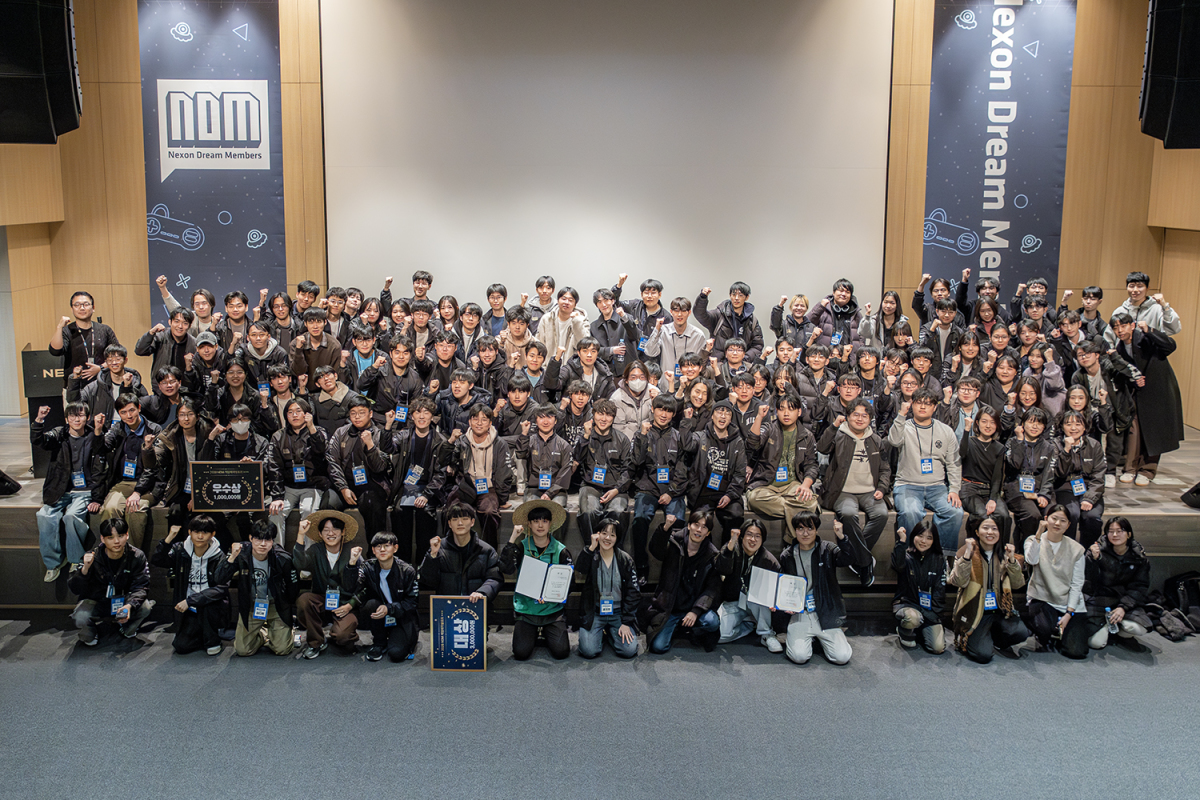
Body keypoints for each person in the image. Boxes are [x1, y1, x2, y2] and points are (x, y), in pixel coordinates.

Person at [816, 398, 891, 586]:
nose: (859, 419)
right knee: (848, 514)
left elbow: (885, 469)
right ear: (848, 416)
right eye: (855, 414)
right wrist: (833, 426)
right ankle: (865, 563)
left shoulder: (876, 440)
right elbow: (821, 447)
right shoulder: (839, 435)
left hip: (870, 491)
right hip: (842, 491)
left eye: (864, 416)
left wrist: (882, 488)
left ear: (870, 419)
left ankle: (855, 556)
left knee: (882, 514)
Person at [777, 512, 862, 665]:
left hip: (825, 613)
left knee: (842, 657)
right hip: (801, 613)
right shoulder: (787, 555)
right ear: (795, 530)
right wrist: (785, 604)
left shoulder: (827, 549)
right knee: (799, 657)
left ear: (816, 530)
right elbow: (784, 585)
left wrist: (841, 537)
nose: (805, 533)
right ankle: (807, 638)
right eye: (800, 528)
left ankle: (818, 638)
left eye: (810, 528)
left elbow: (849, 559)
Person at [32, 402, 103, 581]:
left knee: (71, 516)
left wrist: (97, 497)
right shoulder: (59, 434)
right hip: (60, 489)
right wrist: (39, 420)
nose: (76, 419)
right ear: (66, 419)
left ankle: (76, 559)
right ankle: (53, 564)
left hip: (84, 490)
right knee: (44, 515)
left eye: (80, 415)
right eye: (72, 415)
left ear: (87, 417)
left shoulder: (94, 436)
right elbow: (39, 440)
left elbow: (101, 467)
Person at [1111, 311, 1184, 485]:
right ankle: (1130, 468)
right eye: (1116, 327)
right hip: (1138, 394)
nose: (1120, 330)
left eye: (1123, 326)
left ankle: (1147, 470)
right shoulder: (1120, 348)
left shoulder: (1145, 338)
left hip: (1159, 392)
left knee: (1154, 430)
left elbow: (1170, 346)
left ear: (1132, 326)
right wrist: (1133, 380)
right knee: (1134, 429)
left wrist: (1150, 330)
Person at [888, 388, 963, 553]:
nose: (923, 407)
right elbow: (893, 440)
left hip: (937, 487)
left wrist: (954, 489)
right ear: (912, 405)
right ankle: (910, 555)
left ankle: (940, 557)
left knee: (955, 512)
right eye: (919, 403)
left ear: (935, 407)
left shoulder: (946, 431)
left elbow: (954, 463)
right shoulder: (903, 426)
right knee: (910, 512)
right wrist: (901, 415)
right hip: (907, 485)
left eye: (928, 404)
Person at [500, 500, 574, 660]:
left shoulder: (561, 551)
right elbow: (506, 569)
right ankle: (533, 632)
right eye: (536, 521)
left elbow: (570, 583)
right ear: (529, 524)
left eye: (544, 521)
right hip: (527, 610)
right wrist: (512, 538)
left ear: (550, 524)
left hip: (552, 610)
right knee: (521, 653)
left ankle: (546, 632)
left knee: (561, 652)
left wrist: (550, 596)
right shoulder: (521, 547)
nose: (540, 525)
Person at [639, 512, 723, 654]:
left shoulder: (711, 554)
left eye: (704, 527)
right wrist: (665, 528)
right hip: (671, 608)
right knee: (658, 647)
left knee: (712, 622)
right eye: (696, 525)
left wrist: (695, 611)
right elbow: (656, 551)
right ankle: (679, 628)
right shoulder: (674, 543)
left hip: (694, 607)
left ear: (708, 533)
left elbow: (712, 588)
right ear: (689, 526)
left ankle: (689, 627)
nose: (699, 530)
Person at [949, 514, 1027, 662]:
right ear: (977, 532)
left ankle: (995, 639)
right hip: (976, 612)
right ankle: (979, 638)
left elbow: (1018, 584)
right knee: (983, 655)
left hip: (999, 611)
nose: (990, 532)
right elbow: (958, 581)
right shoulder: (966, 552)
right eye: (985, 528)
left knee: (1021, 632)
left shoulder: (1004, 554)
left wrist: (1012, 561)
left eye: (994, 529)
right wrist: (967, 555)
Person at [215, 520, 300, 656]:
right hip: (251, 605)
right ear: (250, 538)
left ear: (272, 541)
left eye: (267, 540)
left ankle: (285, 630)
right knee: (243, 650)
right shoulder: (241, 554)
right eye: (258, 539)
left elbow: (293, 585)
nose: (262, 544)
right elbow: (219, 579)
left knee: (282, 649)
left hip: (276, 605)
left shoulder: (282, 558)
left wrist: (287, 607)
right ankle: (263, 634)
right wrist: (231, 557)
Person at [1023, 507, 1099, 659]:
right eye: (1054, 518)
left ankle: (1062, 632)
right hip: (1043, 599)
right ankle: (1051, 632)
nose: (1057, 523)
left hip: (1069, 603)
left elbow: (1077, 583)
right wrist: (1039, 533)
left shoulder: (1076, 549)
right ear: (1046, 519)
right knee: (1042, 629)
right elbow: (1031, 560)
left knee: (1077, 652)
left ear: (1068, 525)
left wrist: (1069, 613)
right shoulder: (1033, 541)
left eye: (1063, 521)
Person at [745, 390, 820, 541]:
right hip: (766, 485)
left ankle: (790, 536)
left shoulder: (807, 435)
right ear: (777, 411)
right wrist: (759, 417)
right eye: (782, 409)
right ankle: (794, 536)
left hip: (792, 485)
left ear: (799, 412)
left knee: (810, 501)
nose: (786, 413)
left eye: (791, 409)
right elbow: (752, 444)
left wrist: (806, 485)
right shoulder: (769, 428)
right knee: (754, 499)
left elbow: (812, 465)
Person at [66, 518, 155, 645]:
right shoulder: (92, 557)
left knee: (145, 607)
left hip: (124, 600)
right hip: (98, 601)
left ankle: (126, 628)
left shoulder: (137, 556)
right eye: (110, 537)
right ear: (102, 539)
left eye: (120, 536)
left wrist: (129, 605)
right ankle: (91, 632)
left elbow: (141, 586)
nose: (116, 541)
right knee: (80, 616)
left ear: (127, 535)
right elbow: (75, 589)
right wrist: (85, 569)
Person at [149, 515, 229, 655]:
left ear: (213, 534)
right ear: (189, 532)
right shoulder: (181, 550)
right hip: (188, 608)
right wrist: (168, 539)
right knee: (181, 646)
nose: (200, 536)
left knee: (207, 607)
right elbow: (157, 560)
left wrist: (191, 600)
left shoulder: (219, 556)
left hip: (210, 606)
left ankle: (213, 640)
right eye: (196, 532)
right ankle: (201, 634)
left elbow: (221, 588)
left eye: (205, 532)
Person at [629, 394, 688, 580]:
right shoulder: (642, 433)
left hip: (673, 490)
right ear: (652, 409)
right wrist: (642, 436)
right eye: (661, 409)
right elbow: (636, 462)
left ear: (674, 414)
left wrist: (671, 492)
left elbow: (682, 469)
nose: (664, 414)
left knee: (678, 522)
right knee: (639, 519)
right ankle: (641, 566)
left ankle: (673, 571)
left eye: (669, 411)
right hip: (648, 488)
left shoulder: (678, 437)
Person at [383, 396, 449, 564]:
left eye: (426, 412)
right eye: (417, 412)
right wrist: (388, 426)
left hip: (429, 489)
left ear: (432, 416)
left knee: (425, 516)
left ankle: (424, 566)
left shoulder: (440, 441)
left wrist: (426, 495)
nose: (421, 416)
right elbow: (387, 448)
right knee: (399, 513)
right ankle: (402, 565)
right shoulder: (404, 436)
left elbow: (441, 474)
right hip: (405, 487)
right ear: (412, 416)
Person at [95, 393, 161, 551]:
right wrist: (98, 431)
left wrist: (138, 492)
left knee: (135, 509)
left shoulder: (154, 429)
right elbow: (102, 449)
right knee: (110, 507)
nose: (129, 416)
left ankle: (132, 555)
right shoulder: (118, 428)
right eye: (123, 412)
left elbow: (154, 468)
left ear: (139, 408)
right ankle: (113, 552)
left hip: (149, 485)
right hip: (124, 482)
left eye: (132, 410)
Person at [446, 404, 516, 549]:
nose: (479, 423)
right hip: (466, 486)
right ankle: (451, 550)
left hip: (488, 488)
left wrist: (501, 499)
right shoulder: (462, 441)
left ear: (490, 423)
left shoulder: (500, 443)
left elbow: (504, 474)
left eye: (484, 419)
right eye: (475, 419)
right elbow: (449, 462)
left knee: (489, 512)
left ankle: (489, 552)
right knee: (451, 510)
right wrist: (451, 442)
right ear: (469, 421)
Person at [292, 511, 360, 659]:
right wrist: (301, 535)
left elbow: (361, 586)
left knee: (343, 638)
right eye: (326, 530)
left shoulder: (352, 551)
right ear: (320, 534)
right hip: (322, 599)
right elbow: (299, 564)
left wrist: (350, 605)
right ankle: (316, 642)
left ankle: (341, 633)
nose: (331, 533)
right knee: (304, 600)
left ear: (343, 532)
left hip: (345, 603)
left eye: (335, 529)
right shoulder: (316, 550)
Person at [344, 532, 420, 662]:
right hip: (380, 615)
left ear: (395, 548)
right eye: (378, 546)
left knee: (396, 654)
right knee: (371, 604)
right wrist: (352, 563)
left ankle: (399, 637)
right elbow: (352, 588)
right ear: (373, 550)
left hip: (402, 617)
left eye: (387, 546)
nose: (382, 549)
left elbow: (412, 602)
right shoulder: (368, 567)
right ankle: (379, 642)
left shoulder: (407, 570)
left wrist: (389, 608)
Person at [265, 398, 330, 545]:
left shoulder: (318, 432)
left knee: (308, 511)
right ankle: (278, 553)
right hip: (288, 487)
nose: (294, 415)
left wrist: (311, 427)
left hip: (312, 485)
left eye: (298, 411)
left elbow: (321, 452)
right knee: (275, 512)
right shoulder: (278, 436)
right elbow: (274, 467)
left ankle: (307, 555)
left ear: (307, 414)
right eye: (290, 412)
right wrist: (277, 496)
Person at [575, 516, 641, 659]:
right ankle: (601, 635)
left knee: (629, 651)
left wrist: (626, 622)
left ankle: (611, 635)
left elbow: (634, 592)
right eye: (604, 533)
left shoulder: (625, 559)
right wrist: (591, 547)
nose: (607, 538)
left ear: (617, 538)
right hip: (596, 612)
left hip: (618, 614)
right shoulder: (592, 555)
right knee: (588, 651)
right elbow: (580, 568)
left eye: (612, 535)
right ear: (597, 534)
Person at [1084, 517, 1152, 653]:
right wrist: (1093, 560)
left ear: (1129, 534)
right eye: (1111, 531)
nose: (1115, 535)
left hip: (1124, 601)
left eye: (1120, 531)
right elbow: (1088, 582)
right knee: (1096, 643)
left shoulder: (1138, 556)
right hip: (1099, 601)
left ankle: (1120, 632)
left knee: (1138, 628)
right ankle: (1106, 626)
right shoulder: (1097, 551)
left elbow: (1139, 587)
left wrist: (1123, 607)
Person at [327, 395, 392, 538]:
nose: (357, 417)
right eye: (353, 413)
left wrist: (370, 445)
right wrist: (343, 488)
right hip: (345, 484)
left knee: (373, 504)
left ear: (370, 413)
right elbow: (332, 462)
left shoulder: (379, 433)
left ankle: (374, 548)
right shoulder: (341, 432)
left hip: (371, 484)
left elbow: (380, 468)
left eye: (361, 413)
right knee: (328, 504)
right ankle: (331, 547)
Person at [685, 399, 748, 543]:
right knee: (701, 522)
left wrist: (730, 495)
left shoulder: (737, 442)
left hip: (727, 493)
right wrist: (686, 421)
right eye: (719, 412)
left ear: (731, 419)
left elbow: (740, 474)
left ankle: (728, 551)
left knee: (735, 515)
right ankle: (705, 554)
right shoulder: (701, 437)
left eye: (727, 413)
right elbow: (686, 445)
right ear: (712, 416)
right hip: (704, 493)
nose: (723, 416)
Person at [714, 521, 783, 652]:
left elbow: (777, 586)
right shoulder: (732, 549)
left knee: (760, 597)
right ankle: (749, 625)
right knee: (720, 635)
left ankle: (766, 634)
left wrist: (774, 601)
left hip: (757, 604)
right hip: (733, 601)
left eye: (757, 536)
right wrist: (730, 545)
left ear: (763, 539)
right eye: (749, 534)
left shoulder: (768, 560)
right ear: (742, 536)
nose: (753, 539)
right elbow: (721, 569)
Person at [417, 503, 503, 605]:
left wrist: (482, 592)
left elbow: (495, 578)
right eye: (455, 519)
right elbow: (427, 581)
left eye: (465, 519)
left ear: (472, 522)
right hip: (447, 606)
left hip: (475, 606)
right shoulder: (438, 548)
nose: (460, 523)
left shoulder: (486, 550)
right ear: (449, 524)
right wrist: (432, 556)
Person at [575, 398, 633, 542]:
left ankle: (614, 550)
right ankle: (592, 548)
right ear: (593, 415)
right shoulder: (585, 436)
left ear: (613, 418)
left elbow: (628, 470)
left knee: (617, 511)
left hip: (615, 488)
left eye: (608, 415)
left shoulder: (622, 440)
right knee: (589, 511)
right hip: (590, 486)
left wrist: (617, 490)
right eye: (600, 414)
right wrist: (586, 436)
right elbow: (576, 459)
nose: (604, 418)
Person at [152, 397, 213, 529]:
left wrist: (197, 496)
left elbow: (211, 466)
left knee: (203, 515)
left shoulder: (208, 434)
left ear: (197, 417)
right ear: (177, 418)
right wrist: (147, 450)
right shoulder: (171, 436)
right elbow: (156, 462)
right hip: (181, 487)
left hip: (205, 487)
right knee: (175, 512)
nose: (186, 419)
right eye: (182, 415)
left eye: (190, 414)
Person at [1049, 410, 1106, 547]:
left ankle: (1088, 552)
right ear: (1062, 427)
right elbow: (1059, 473)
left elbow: (1099, 476)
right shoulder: (1054, 445)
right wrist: (1066, 450)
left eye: (1078, 424)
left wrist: (1089, 498)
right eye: (1068, 424)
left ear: (1084, 427)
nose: (1073, 428)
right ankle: (1067, 550)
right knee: (1071, 514)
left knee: (1092, 517)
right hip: (1064, 488)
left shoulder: (1094, 445)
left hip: (1088, 488)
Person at [890, 521, 946, 654]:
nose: (923, 541)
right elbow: (898, 565)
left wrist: (931, 615)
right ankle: (905, 631)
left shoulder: (939, 559)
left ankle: (920, 629)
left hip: (929, 610)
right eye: (920, 536)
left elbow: (940, 591)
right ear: (913, 536)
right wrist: (901, 542)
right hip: (907, 605)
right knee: (912, 618)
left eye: (929, 538)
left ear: (934, 540)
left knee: (938, 648)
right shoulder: (906, 556)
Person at [50, 290, 121, 390]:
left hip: (102, 384)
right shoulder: (67, 331)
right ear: (72, 309)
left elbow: (118, 355)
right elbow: (55, 351)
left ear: (93, 308)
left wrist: (101, 368)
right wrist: (59, 327)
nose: (82, 308)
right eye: (77, 305)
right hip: (75, 386)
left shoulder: (104, 330)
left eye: (86, 304)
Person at [694, 283, 764, 361]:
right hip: (719, 364)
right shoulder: (719, 315)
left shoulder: (752, 320)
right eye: (734, 295)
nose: (736, 298)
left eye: (740, 295)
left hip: (742, 364)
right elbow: (700, 315)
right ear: (730, 295)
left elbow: (757, 345)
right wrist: (702, 298)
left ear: (747, 297)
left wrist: (744, 358)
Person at [134, 307, 197, 377]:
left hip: (184, 383)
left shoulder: (194, 343)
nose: (180, 326)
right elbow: (140, 351)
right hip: (161, 382)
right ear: (170, 322)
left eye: (185, 323)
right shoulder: (160, 337)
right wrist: (150, 333)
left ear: (190, 326)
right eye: (177, 321)